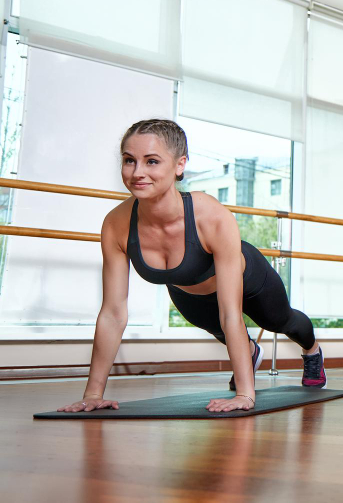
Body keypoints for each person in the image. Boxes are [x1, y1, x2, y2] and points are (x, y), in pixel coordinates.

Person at [58, 120, 325, 414]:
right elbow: (112, 313)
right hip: (189, 294)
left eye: (152, 161)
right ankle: (249, 353)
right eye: (129, 161)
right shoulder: (116, 224)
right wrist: (93, 394)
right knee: (226, 335)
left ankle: (312, 352)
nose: (137, 173)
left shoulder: (209, 214)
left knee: (281, 321)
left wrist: (246, 396)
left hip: (247, 279)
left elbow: (231, 313)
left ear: (179, 165)